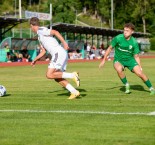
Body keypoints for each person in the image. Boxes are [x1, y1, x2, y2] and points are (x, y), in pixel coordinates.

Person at [29, 17, 80, 99]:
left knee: (49, 75)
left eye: (30, 27)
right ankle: (74, 92)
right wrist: (35, 59)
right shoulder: (39, 36)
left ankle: (72, 75)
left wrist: (64, 43)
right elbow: (43, 51)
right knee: (57, 77)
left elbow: (55, 32)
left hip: (58, 53)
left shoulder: (41, 30)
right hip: (60, 54)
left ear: (31, 25)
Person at [99, 23, 155, 95]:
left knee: (140, 73)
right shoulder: (118, 38)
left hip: (130, 60)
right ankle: (126, 84)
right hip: (119, 60)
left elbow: (136, 56)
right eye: (124, 30)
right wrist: (104, 60)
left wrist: (139, 66)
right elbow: (110, 48)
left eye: (127, 31)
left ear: (132, 32)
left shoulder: (134, 42)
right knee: (119, 69)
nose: (125, 32)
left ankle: (151, 88)